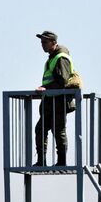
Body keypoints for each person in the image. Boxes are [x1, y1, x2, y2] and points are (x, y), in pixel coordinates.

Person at [33, 31, 81, 167]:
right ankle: (41, 161)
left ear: (53, 43)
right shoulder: (53, 57)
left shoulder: (61, 57)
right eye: (41, 42)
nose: (42, 45)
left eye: (45, 42)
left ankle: (61, 162)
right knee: (40, 129)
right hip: (50, 101)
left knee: (59, 130)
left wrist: (45, 88)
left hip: (59, 101)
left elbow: (62, 82)